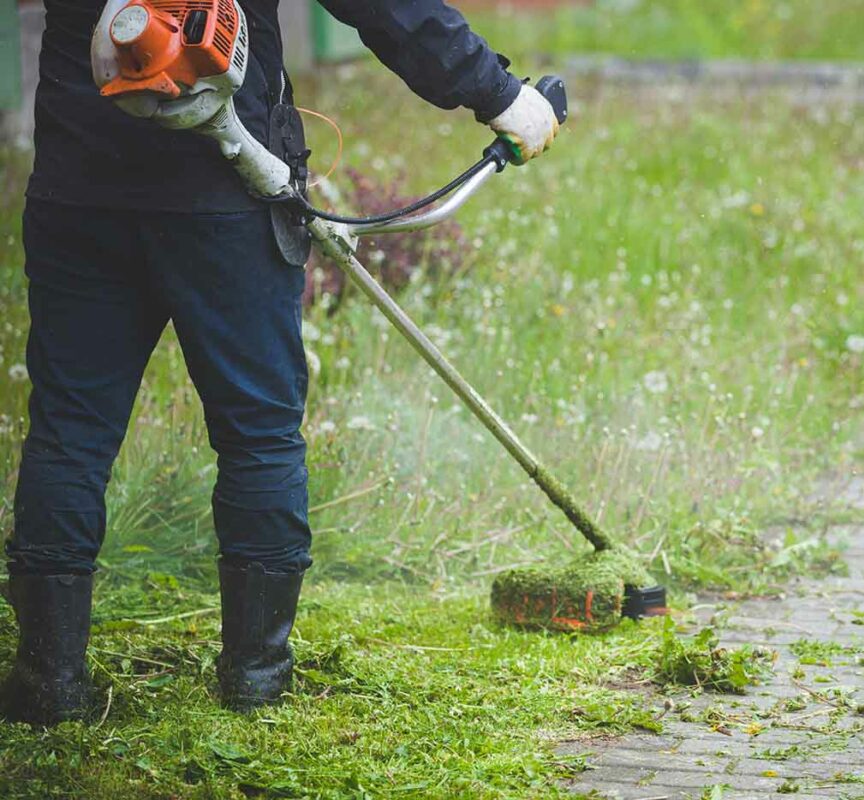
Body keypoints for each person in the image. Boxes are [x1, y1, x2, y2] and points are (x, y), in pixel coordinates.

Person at [0, 0, 558, 725]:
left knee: (68, 433)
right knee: (257, 433)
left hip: (80, 183)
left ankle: (48, 683)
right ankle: (256, 678)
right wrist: (500, 95)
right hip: (224, 202)